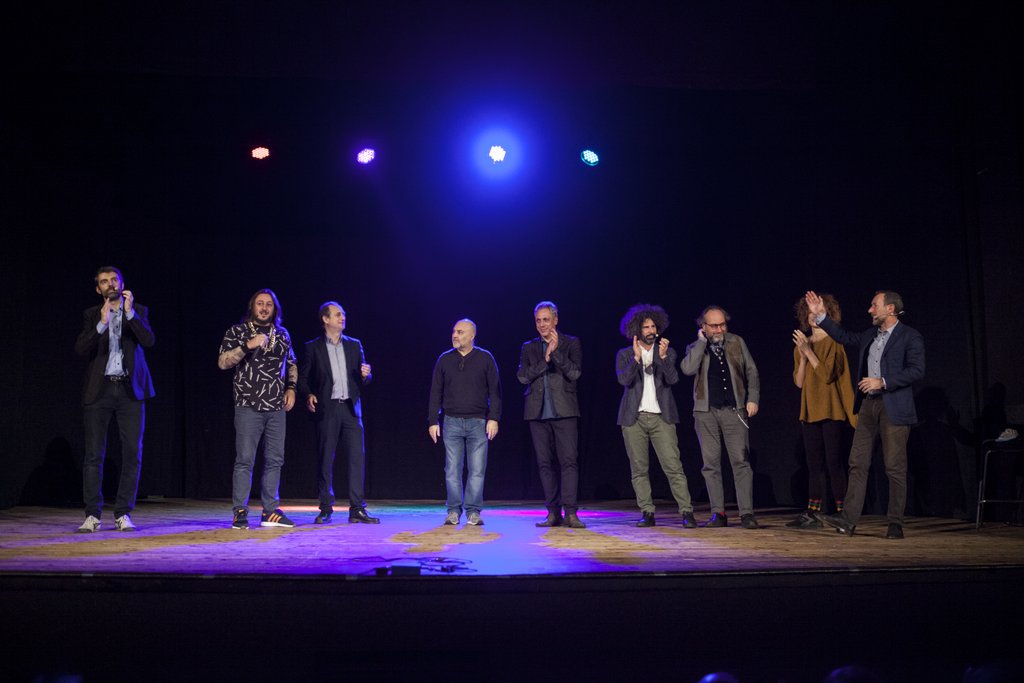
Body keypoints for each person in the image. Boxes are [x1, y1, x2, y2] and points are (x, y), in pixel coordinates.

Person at [806, 290, 925, 539]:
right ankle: (848, 520)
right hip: (869, 405)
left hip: (894, 407)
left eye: (874, 305)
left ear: (890, 309)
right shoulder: (871, 335)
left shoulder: (909, 336)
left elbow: (916, 370)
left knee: (894, 466)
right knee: (857, 463)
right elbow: (843, 336)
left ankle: (895, 523)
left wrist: (883, 381)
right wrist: (821, 316)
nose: (870, 310)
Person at [73, 266, 155, 532]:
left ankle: (123, 513)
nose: (110, 284)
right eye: (104, 282)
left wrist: (130, 314)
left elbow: (148, 340)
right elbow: (80, 348)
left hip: (130, 391)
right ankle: (92, 514)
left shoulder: (138, 311)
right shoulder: (91, 314)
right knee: (94, 454)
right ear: (98, 289)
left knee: (132, 452)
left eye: (113, 280)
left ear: (121, 283)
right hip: (100, 390)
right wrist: (102, 323)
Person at [218, 289, 298, 530]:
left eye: (269, 305)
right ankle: (240, 511)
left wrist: (291, 388)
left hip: (276, 406)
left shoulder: (282, 334)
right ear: (252, 307)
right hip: (248, 404)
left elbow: (292, 363)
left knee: (275, 459)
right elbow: (223, 362)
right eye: (260, 304)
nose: (264, 308)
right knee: (245, 460)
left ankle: (270, 511)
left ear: (274, 309)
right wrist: (247, 346)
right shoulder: (238, 331)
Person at [615, 304, 698, 528]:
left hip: (662, 418)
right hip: (634, 419)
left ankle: (686, 511)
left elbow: (672, 379)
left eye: (653, 326)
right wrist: (636, 359)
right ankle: (647, 512)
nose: (651, 330)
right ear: (636, 329)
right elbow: (624, 380)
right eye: (646, 327)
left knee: (673, 466)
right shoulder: (625, 354)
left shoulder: (667, 352)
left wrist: (661, 358)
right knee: (639, 469)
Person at [680, 305, 761, 529]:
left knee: (741, 462)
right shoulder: (695, 347)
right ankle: (718, 513)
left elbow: (751, 371)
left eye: (722, 325)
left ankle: (746, 513)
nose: (719, 330)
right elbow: (687, 369)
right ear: (703, 326)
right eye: (714, 326)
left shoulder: (737, 342)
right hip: (705, 413)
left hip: (734, 411)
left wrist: (752, 398)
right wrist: (701, 343)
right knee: (711, 465)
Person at [297, 301, 378, 524]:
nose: (343, 318)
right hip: (328, 408)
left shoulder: (354, 345)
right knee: (325, 459)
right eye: (337, 314)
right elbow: (303, 379)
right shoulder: (313, 347)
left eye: (343, 314)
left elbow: (365, 379)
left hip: (351, 409)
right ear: (325, 319)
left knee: (357, 459)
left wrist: (366, 375)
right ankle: (325, 508)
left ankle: (357, 509)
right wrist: (308, 394)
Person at [787, 293, 857, 528]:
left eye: (817, 312)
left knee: (833, 462)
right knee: (813, 464)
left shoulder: (834, 342)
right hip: (809, 411)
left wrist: (808, 352)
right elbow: (799, 382)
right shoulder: (803, 344)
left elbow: (827, 375)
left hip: (831, 410)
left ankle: (842, 512)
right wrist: (803, 355)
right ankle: (813, 513)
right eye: (809, 312)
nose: (813, 316)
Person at [516, 301, 584, 528]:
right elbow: (522, 376)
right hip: (537, 413)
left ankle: (571, 513)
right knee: (544, 464)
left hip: (565, 411)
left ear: (555, 320)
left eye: (546, 319)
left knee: (568, 462)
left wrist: (556, 354)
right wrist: (545, 360)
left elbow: (574, 373)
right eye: (538, 320)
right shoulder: (528, 347)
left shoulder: (571, 342)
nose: (542, 324)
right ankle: (553, 513)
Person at [428, 319, 502, 526]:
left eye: (460, 332)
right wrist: (433, 420)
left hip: (478, 422)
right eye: (454, 331)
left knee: (477, 470)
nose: (455, 335)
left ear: (472, 335)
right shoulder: (444, 359)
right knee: (452, 470)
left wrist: (494, 418)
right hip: (451, 422)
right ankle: (453, 510)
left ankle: (473, 511)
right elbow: (435, 391)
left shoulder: (485, 358)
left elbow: (495, 391)